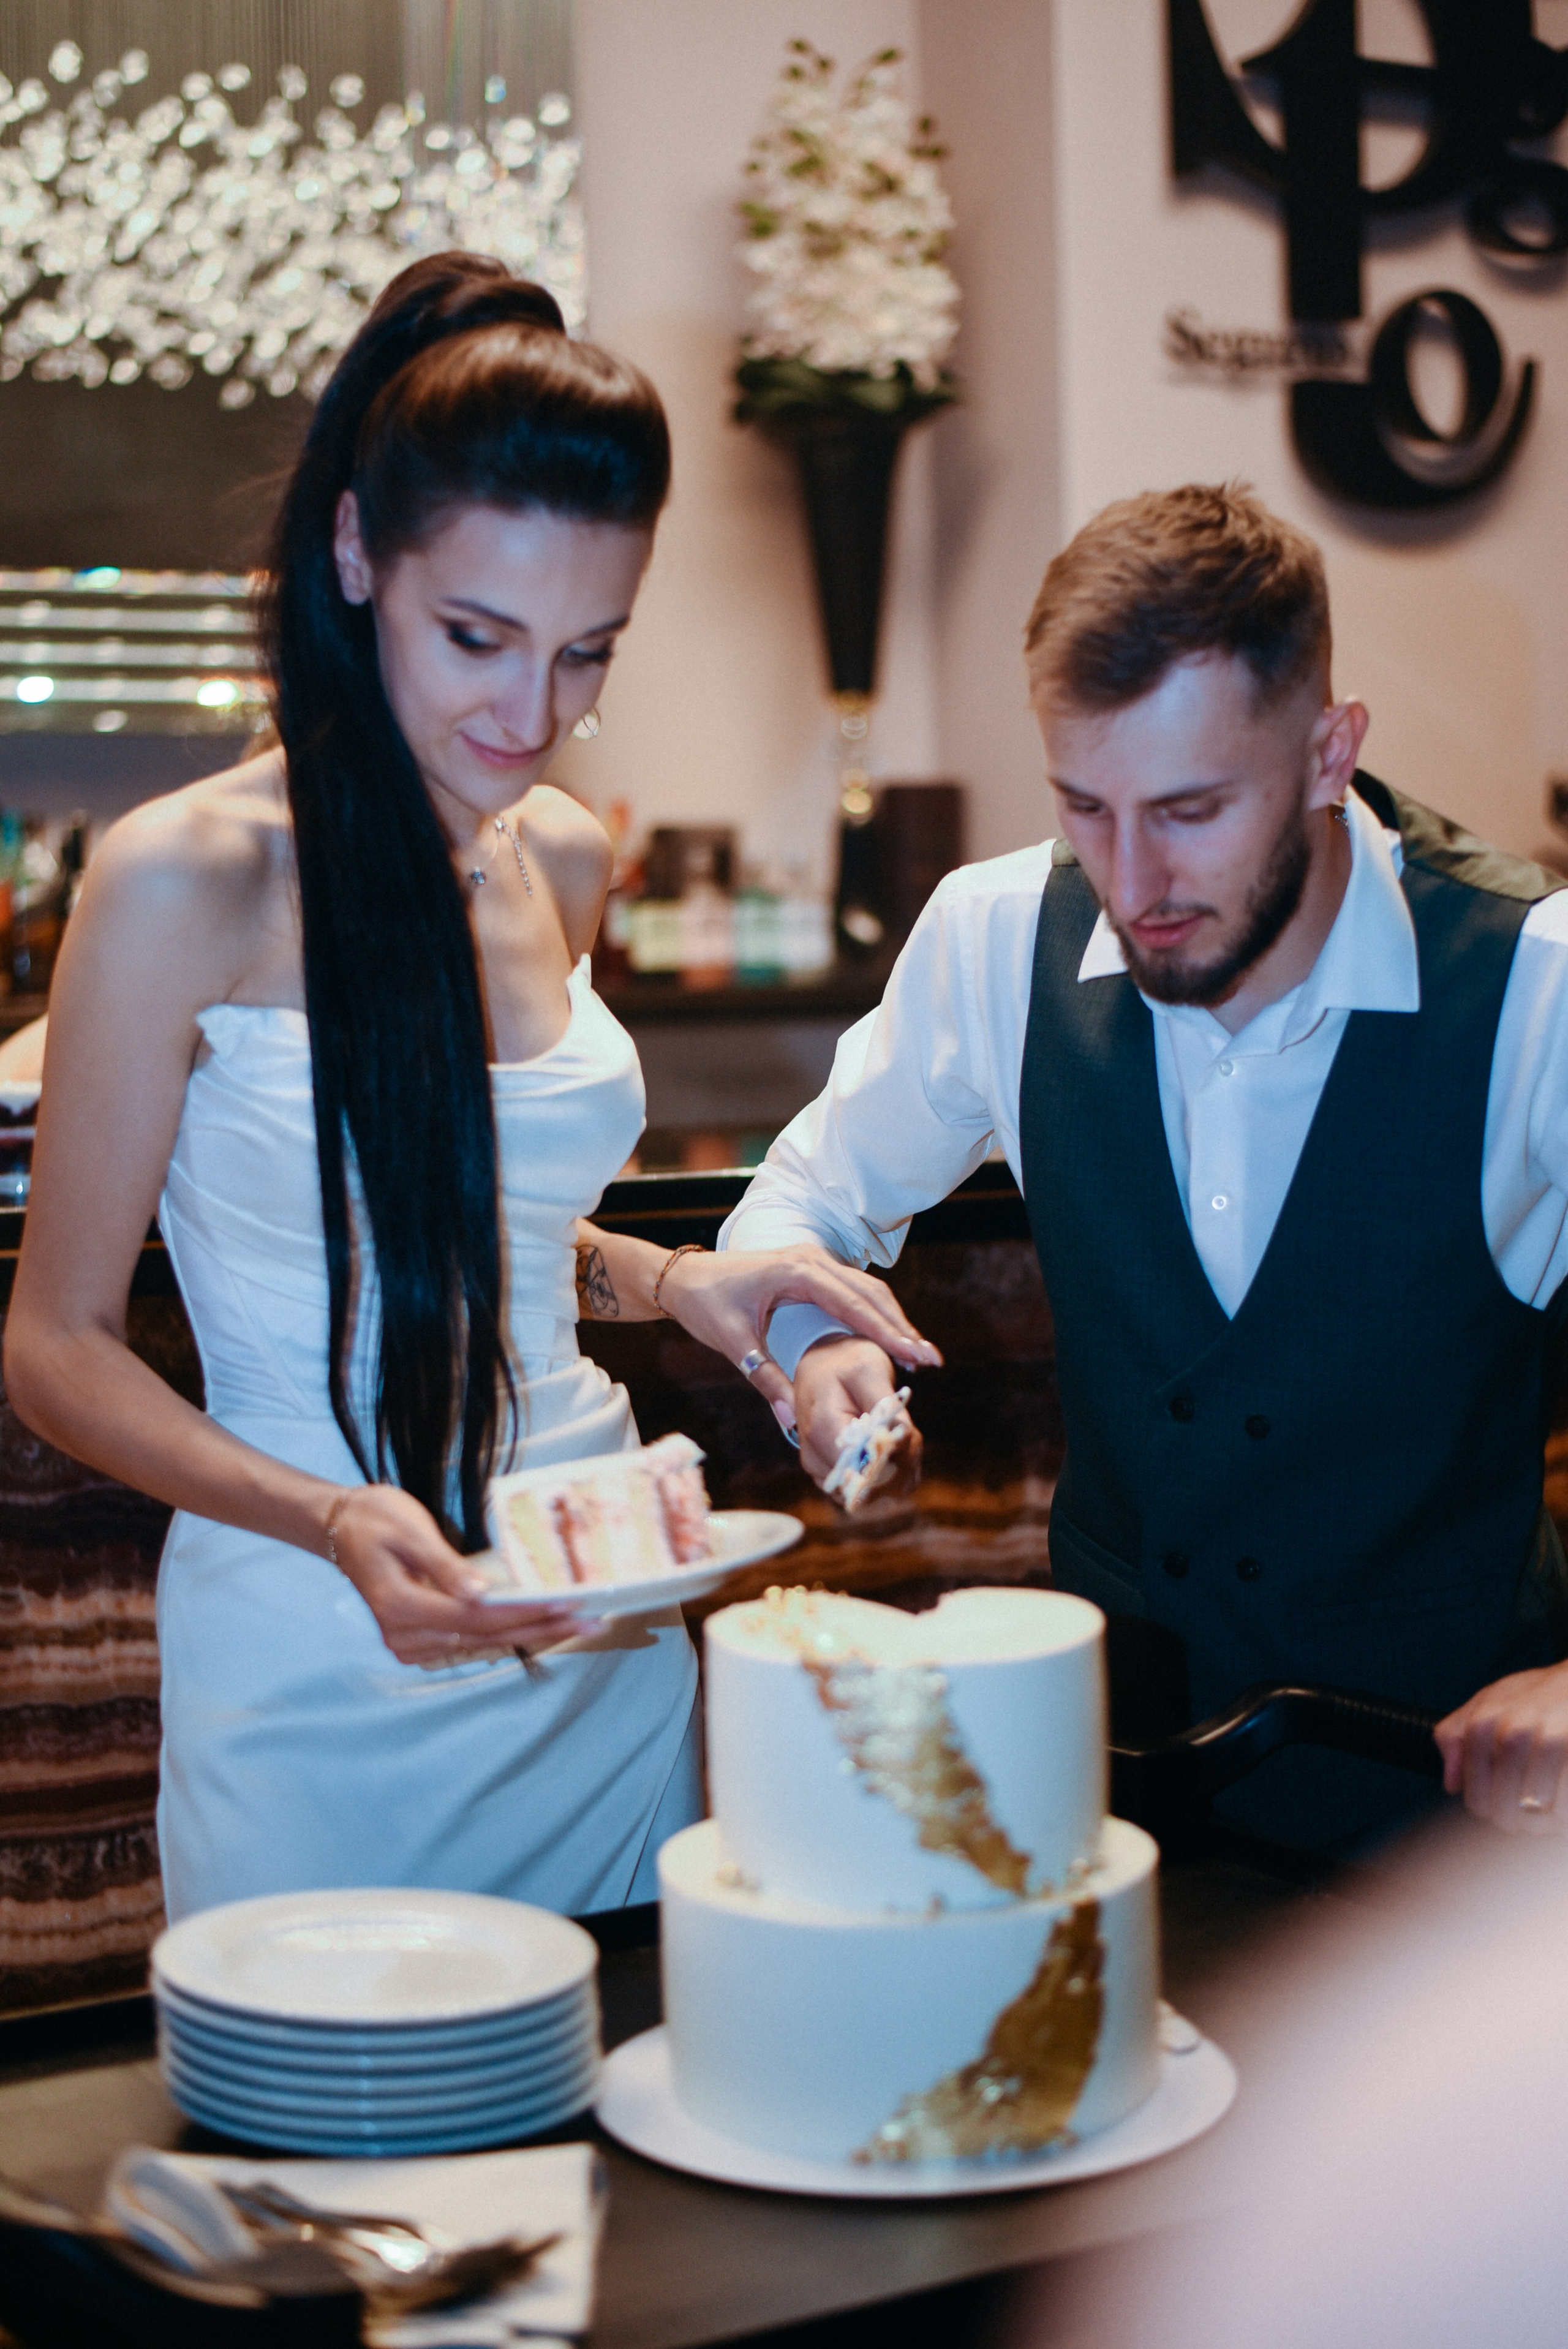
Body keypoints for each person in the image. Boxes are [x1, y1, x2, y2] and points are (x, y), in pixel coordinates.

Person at [2, 253, 936, 1923]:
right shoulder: (180, 880)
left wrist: (682, 1276)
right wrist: (334, 1515)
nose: (532, 714)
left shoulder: (558, 858)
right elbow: (55, 1347)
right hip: (323, 1635)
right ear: (356, 552)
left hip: (602, 1609)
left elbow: (508, 1228)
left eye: (588, 654)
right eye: (478, 638)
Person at [723, 481, 1568, 1853]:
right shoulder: (997, 936)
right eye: (1084, 808)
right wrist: (818, 1335)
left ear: (1326, 752)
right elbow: (806, 1196)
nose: (1132, 876)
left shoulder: (1532, 984)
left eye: (1187, 809)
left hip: (1455, 1823)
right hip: (1108, 1791)